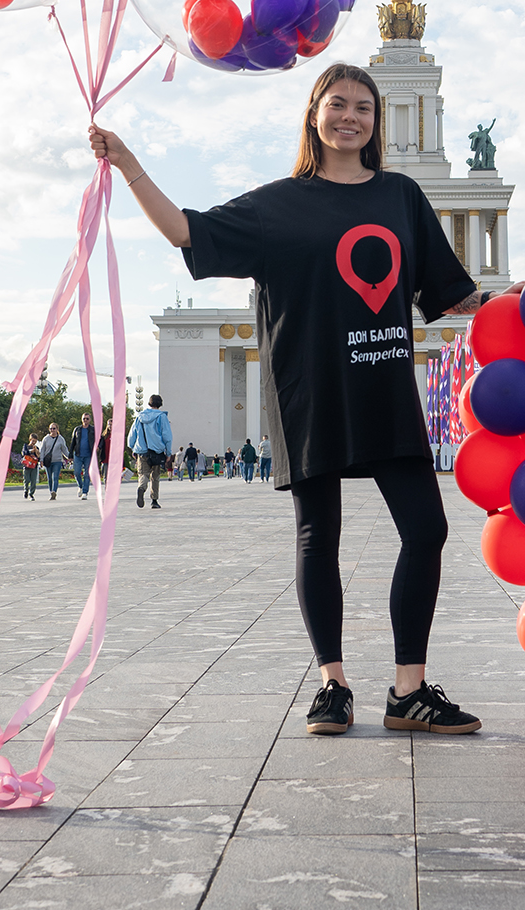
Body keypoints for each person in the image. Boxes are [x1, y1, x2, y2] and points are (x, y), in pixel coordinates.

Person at [89, 60, 485, 739]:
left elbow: (452, 295)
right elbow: (187, 231)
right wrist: (127, 162)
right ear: (313, 113)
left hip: (385, 389)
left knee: (427, 530)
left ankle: (408, 691)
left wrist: (524, 303)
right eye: (338, 104)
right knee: (317, 537)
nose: (350, 116)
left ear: (376, 122)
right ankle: (333, 684)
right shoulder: (280, 203)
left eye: (364, 107)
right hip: (311, 393)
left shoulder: (400, 198)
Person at [129, 393, 173, 509]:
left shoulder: (139, 416)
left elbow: (132, 435)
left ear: (149, 403)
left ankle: (141, 488)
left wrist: (133, 448)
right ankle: (154, 500)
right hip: (157, 451)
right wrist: (168, 453)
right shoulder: (161, 417)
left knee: (143, 474)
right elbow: (167, 436)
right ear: (160, 404)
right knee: (155, 476)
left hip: (142, 451)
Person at [40, 422, 70, 501]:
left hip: (57, 461)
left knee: (55, 477)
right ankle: (51, 492)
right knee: (49, 478)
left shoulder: (60, 439)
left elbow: (64, 450)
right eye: (51, 429)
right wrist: (41, 460)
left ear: (57, 429)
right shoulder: (46, 439)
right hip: (48, 462)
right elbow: (42, 450)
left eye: (54, 428)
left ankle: (54, 491)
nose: (52, 430)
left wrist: (69, 457)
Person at [69, 413, 95, 500]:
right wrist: (70, 454)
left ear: (90, 420)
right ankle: (80, 486)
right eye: (84, 418)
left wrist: (98, 448)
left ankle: (85, 492)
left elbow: (98, 439)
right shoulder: (77, 429)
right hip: (78, 454)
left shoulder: (93, 429)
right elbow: (73, 442)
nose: (85, 420)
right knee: (77, 472)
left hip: (88, 455)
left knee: (87, 474)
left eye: (87, 419)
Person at [20, 433, 39, 499]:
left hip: (34, 466)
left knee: (33, 481)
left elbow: (38, 457)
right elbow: (24, 453)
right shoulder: (26, 446)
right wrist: (31, 451)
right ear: (30, 439)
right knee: (26, 479)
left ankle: (31, 493)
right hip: (27, 466)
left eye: (35, 441)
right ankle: (26, 490)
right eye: (33, 441)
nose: (34, 443)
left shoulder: (37, 448)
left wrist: (36, 452)